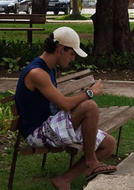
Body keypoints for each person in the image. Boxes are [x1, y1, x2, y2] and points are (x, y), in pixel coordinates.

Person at [16, 27, 117, 190]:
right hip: (37, 132)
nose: (73, 59)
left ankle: (64, 179)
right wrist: (90, 92)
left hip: (51, 124)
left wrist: (80, 98)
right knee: (90, 106)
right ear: (61, 49)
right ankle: (91, 163)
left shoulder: (50, 69)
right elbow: (63, 104)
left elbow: (58, 102)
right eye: (72, 54)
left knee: (109, 144)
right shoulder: (37, 72)